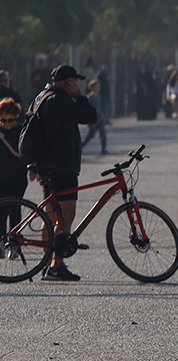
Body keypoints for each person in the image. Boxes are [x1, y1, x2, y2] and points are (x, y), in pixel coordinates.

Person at [31, 65, 98, 281]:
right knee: (66, 215)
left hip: (48, 165)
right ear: (66, 83)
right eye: (75, 82)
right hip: (62, 167)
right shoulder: (60, 101)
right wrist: (81, 97)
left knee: (50, 215)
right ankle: (55, 267)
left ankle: (49, 263)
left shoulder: (43, 96)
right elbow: (90, 116)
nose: (77, 85)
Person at [0, 98, 27, 235]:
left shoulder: (21, 130)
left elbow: (26, 152)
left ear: (15, 117)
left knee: (15, 210)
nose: (7, 124)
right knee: (1, 211)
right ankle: (1, 241)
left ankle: (15, 241)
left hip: (18, 176)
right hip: (2, 177)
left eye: (10, 120)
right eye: (3, 120)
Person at [80, 79, 108, 155]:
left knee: (102, 133)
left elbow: (100, 108)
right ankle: (81, 146)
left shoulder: (99, 96)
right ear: (92, 87)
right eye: (97, 86)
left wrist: (103, 115)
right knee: (91, 134)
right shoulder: (89, 98)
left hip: (100, 119)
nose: (99, 88)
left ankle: (104, 148)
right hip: (93, 119)